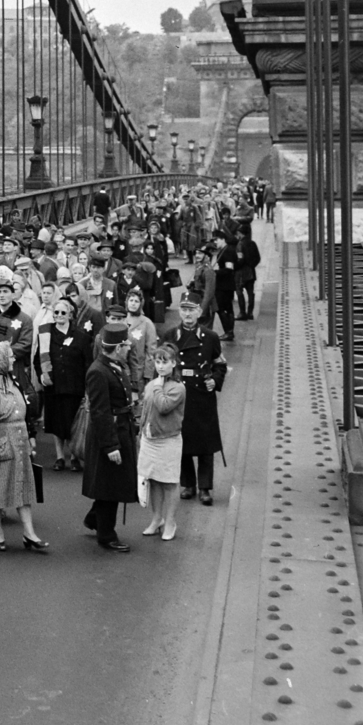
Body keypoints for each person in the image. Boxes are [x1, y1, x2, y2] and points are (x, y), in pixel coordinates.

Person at [0, 341, 48, 553]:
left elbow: (26, 409)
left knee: (23, 490)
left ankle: (29, 533)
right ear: (1, 360)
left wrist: (31, 435)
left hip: (20, 444)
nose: (14, 359)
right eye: (10, 356)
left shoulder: (13, 382)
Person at [81, 319, 139, 553]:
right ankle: (107, 534)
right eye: (126, 346)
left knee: (112, 481)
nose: (128, 349)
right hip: (110, 434)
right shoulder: (98, 372)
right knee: (110, 485)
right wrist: (111, 445)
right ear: (117, 348)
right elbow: (100, 412)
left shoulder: (114, 366)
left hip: (121, 429)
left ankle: (95, 518)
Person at [175, 297, 227, 505]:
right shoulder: (171, 336)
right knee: (182, 440)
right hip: (180, 393)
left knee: (206, 442)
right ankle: (188, 484)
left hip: (202, 394)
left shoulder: (210, 337)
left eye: (192, 310)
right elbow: (161, 363)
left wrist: (215, 380)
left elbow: (220, 364)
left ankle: (205, 487)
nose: (188, 314)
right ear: (179, 312)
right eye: (184, 310)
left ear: (199, 312)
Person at [139, 344, 186, 542]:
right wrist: (141, 431)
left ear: (173, 364)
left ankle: (170, 521)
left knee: (169, 482)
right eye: (157, 362)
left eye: (164, 362)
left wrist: (157, 387)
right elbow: (146, 410)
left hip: (168, 440)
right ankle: (156, 518)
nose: (160, 366)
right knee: (153, 479)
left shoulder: (178, 388)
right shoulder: (151, 385)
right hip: (149, 439)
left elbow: (164, 406)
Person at [42, 297, 91, 469]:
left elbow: (87, 362)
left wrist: (87, 387)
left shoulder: (81, 336)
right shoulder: (46, 335)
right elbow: (36, 358)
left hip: (74, 386)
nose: (59, 315)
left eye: (63, 312)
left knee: (73, 423)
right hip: (53, 386)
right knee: (57, 423)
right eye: (56, 312)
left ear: (70, 315)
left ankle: (75, 456)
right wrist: (42, 374)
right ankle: (60, 457)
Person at [210, 232, 238, 342]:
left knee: (222, 308)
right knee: (227, 308)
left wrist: (215, 272)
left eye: (216, 239)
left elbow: (229, 269)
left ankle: (228, 332)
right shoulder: (225, 250)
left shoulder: (228, 252)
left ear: (223, 239)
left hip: (224, 285)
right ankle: (229, 331)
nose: (215, 242)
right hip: (226, 284)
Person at [235, 223, 261, 321]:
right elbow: (258, 258)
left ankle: (242, 313)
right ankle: (250, 313)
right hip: (251, 272)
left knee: (239, 291)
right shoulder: (252, 243)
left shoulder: (240, 244)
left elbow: (240, 260)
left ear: (241, 233)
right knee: (251, 293)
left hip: (242, 273)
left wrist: (235, 267)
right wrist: (251, 265)